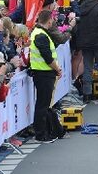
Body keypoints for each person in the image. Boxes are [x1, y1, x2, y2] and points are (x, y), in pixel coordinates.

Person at [30, 10, 62, 142]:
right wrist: (57, 69)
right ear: (49, 20)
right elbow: (48, 57)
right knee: (43, 105)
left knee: (43, 104)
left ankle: (45, 132)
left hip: (42, 72)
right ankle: (41, 134)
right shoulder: (41, 35)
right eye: (52, 20)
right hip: (44, 73)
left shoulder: (38, 33)